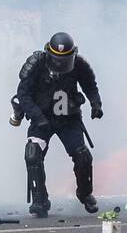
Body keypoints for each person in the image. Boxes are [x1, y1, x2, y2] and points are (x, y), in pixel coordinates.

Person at [13, 31, 100, 217]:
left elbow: (90, 85)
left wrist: (96, 103)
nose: (60, 64)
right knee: (33, 153)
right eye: (57, 59)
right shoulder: (36, 64)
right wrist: (37, 116)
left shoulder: (79, 64)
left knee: (83, 156)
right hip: (42, 119)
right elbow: (23, 94)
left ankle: (85, 194)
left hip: (68, 120)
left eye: (65, 59)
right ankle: (40, 200)